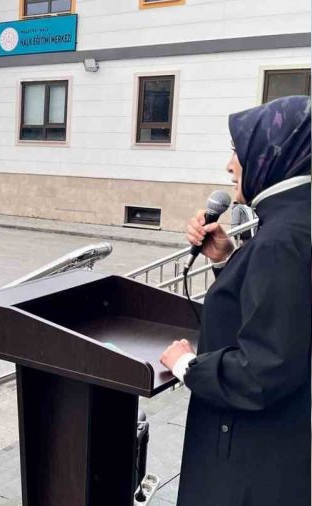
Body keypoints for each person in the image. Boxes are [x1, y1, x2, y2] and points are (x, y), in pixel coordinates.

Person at [159, 96, 311, 505]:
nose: (230, 166)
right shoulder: (295, 221)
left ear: (272, 153)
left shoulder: (281, 239)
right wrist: (228, 260)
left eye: (237, 151)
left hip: (251, 455)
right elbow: (287, 309)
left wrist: (187, 366)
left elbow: (266, 368)